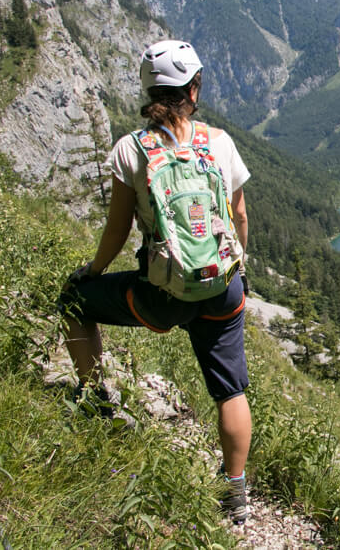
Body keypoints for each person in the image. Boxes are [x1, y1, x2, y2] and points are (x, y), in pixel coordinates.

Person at [60, 40, 252, 525]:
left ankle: (93, 399)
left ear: (149, 92)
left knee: (75, 302)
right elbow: (240, 217)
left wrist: (93, 273)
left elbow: (118, 228)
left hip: (163, 295)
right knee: (230, 391)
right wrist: (239, 268)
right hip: (221, 287)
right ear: (193, 89)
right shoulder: (219, 142)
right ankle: (236, 494)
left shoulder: (131, 148)